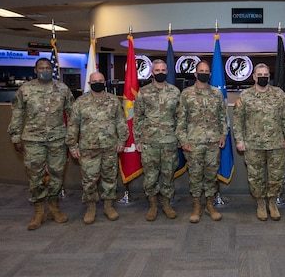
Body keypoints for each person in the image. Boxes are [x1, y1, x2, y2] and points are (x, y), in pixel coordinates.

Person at [7, 57, 74, 230]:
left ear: (52, 69)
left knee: (57, 175)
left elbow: (72, 114)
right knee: (35, 177)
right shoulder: (25, 89)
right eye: (41, 67)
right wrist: (15, 137)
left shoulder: (63, 89)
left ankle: (54, 208)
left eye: (47, 67)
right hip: (33, 140)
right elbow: (17, 113)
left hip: (58, 139)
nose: (44, 69)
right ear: (35, 70)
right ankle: (39, 211)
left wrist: (72, 137)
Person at [66, 72, 129, 224]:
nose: (98, 83)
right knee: (89, 180)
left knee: (110, 178)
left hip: (110, 146)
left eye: (101, 80)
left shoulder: (114, 101)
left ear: (105, 82)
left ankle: (108, 206)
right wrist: (72, 145)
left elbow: (121, 122)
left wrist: (122, 140)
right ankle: (91, 207)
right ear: (89, 82)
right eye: (95, 81)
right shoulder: (80, 102)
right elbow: (73, 125)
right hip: (88, 148)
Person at [233, 63, 285, 221]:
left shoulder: (279, 94)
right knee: (255, 176)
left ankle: (272, 203)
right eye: (259, 75)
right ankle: (260, 203)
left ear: (269, 76)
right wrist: (239, 140)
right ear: (253, 77)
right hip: (253, 144)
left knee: (276, 176)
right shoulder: (245, 96)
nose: (263, 77)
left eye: (265, 75)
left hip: (276, 144)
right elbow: (238, 121)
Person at [175, 60, 228, 223]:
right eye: (201, 71)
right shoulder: (186, 94)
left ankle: (210, 205)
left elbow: (222, 117)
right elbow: (181, 119)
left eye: (207, 71)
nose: (204, 73)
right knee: (196, 176)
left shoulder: (217, 94)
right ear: (195, 74)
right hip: (193, 142)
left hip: (213, 141)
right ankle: (197, 206)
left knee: (211, 176)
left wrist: (223, 135)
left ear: (209, 74)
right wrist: (183, 140)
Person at [134, 59, 181, 221]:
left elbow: (180, 117)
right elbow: (138, 118)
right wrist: (138, 140)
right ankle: (153, 205)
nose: (160, 73)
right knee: (150, 176)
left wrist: (180, 137)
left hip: (169, 141)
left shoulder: (175, 92)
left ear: (166, 72)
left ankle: (166, 204)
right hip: (149, 142)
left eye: (163, 70)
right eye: (157, 70)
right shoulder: (143, 92)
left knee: (168, 174)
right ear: (152, 73)